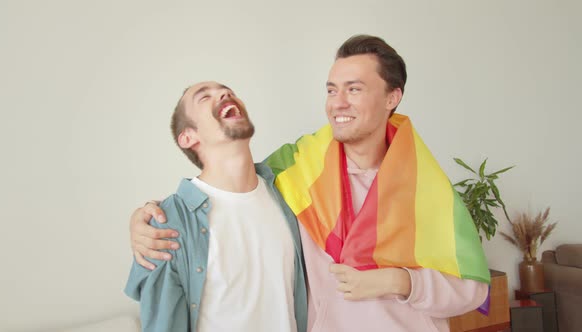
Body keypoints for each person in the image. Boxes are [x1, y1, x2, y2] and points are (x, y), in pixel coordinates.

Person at [129, 35, 490, 331]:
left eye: (354, 89)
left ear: (392, 98)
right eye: (332, 90)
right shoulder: (297, 173)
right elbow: (225, 185)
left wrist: (400, 281)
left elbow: (472, 290)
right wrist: (143, 219)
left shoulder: (426, 189)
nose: (338, 103)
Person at [124, 81, 308, 332]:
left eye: (228, 91)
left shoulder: (286, 186)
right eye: (204, 97)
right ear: (188, 137)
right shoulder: (166, 226)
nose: (225, 94)